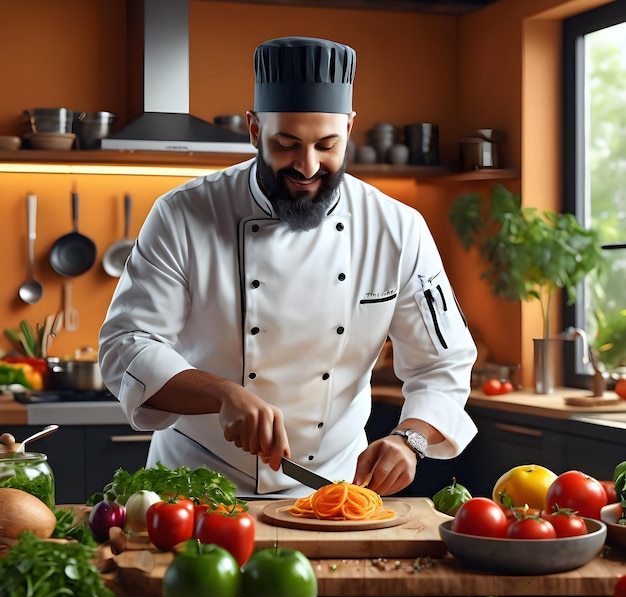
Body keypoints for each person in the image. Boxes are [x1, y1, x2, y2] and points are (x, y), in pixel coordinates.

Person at [99, 36, 478, 498]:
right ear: (255, 131)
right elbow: (126, 345)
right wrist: (222, 394)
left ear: (350, 129)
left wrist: (410, 439)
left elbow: (445, 362)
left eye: (327, 144)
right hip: (193, 487)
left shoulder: (397, 228)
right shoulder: (183, 213)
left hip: (328, 492)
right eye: (287, 144)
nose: (308, 165)